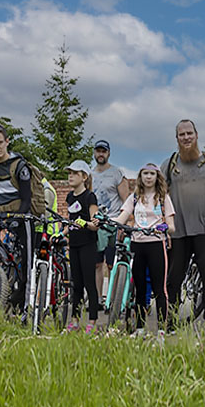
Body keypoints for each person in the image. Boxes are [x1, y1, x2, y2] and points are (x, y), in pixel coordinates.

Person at [163, 119, 205, 331]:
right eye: (181, 134)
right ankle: (171, 322)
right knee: (173, 279)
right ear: (176, 138)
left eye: (189, 133)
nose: (186, 137)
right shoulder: (169, 165)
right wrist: (164, 226)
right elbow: (160, 196)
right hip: (178, 232)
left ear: (196, 135)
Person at [114, 164, 175, 336]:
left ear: (157, 177)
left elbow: (172, 227)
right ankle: (140, 328)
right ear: (140, 176)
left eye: (152, 174)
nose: (148, 177)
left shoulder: (163, 198)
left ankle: (161, 331)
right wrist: (105, 220)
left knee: (159, 289)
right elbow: (121, 218)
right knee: (139, 289)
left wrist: (163, 227)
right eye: (145, 174)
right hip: (137, 244)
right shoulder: (135, 197)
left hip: (156, 244)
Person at [0, 123, 33, 309]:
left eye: (0, 142)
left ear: (7, 142)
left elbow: (26, 199)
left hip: (23, 220)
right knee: (2, 260)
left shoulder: (19, 166)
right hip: (4, 218)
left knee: (27, 263)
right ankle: (1, 301)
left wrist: (17, 218)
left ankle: (26, 307)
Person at [62, 160, 100, 334]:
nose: (70, 176)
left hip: (88, 244)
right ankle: (74, 321)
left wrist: (84, 223)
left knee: (89, 283)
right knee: (75, 284)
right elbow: (69, 222)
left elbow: (95, 224)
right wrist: (61, 233)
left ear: (84, 177)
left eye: (74, 173)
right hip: (74, 245)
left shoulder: (89, 197)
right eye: (69, 173)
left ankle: (92, 321)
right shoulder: (70, 197)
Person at [92, 139, 130, 304]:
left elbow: (126, 200)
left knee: (111, 263)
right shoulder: (90, 174)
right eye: (98, 151)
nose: (101, 154)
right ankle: (98, 298)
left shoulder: (116, 173)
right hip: (97, 224)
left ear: (108, 153)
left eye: (104, 151)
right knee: (97, 264)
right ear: (94, 153)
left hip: (114, 223)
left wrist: (124, 224)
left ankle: (114, 298)